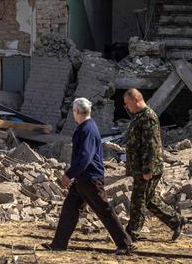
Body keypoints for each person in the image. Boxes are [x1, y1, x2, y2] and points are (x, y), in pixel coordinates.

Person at [43, 98, 135, 255]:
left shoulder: (87, 129)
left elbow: (84, 157)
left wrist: (68, 174)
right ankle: (59, 243)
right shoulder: (87, 127)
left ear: (76, 112)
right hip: (83, 179)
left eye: (73, 111)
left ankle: (126, 244)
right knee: (69, 209)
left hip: (90, 179)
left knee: (104, 210)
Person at [123, 88, 185, 242]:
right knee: (148, 199)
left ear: (137, 100)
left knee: (138, 201)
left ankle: (131, 234)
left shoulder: (148, 117)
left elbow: (152, 145)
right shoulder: (139, 116)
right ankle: (176, 220)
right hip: (141, 167)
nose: (126, 107)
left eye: (127, 103)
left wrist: (148, 169)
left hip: (148, 168)